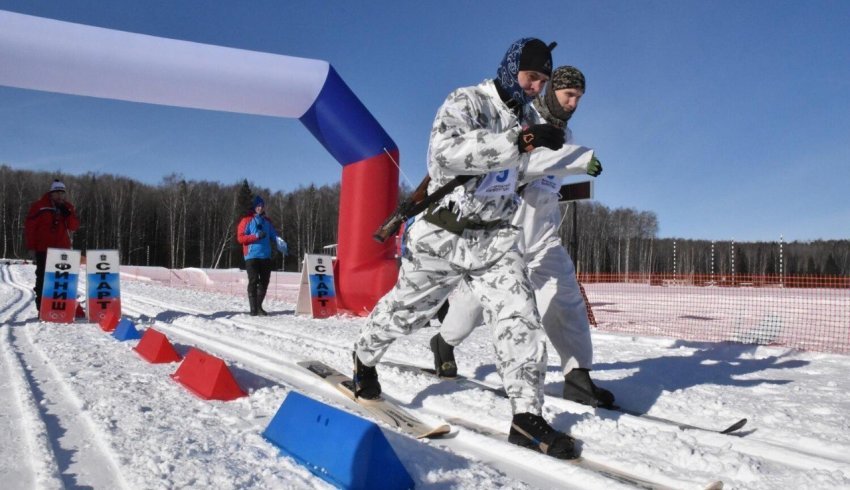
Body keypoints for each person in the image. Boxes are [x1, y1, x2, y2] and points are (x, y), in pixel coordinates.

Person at [353, 38, 598, 460]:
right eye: (531, 77)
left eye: (543, 80)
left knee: (519, 319)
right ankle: (364, 358)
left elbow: (529, 168)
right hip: (443, 235)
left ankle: (526, 415)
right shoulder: (466, 101)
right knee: (407, 312)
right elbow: (445, 155)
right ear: (510, 69)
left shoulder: (528, 117)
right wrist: (517, 143)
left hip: (496, 238)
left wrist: (573, 157)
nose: (537, 87)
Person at [430, 66, 615, 409]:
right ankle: (444, 342)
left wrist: (572, 160)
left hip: (543, 231)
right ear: (551, 92)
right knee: (477, 304)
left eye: (579, 97)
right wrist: (576, 160)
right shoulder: (522, 121)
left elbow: (554, 173)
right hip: (506, 229)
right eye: (568, 95)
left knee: (566, 297)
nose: (574, 103)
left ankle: (577, 376)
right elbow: (521, 164)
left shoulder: (568, 134)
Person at [24, 179, 80, 311]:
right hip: (44, 249)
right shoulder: (39, 206)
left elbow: (73, 226)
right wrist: (31, 247)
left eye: (62, 193)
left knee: (61, 281)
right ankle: (42, 308)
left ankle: (60, 308)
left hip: (62, 251)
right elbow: (30, 228)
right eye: (57, 193)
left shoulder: (68, 207)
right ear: (51, 193)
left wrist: (68, 214)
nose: (60, 196)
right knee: (42, 280)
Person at [237, 195, 283, 316]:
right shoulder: (246, 220)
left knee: (265, 281)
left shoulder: (267, 221)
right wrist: (256, 236)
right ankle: (253, 309)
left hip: (265, 256)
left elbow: (274, 235)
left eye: (262, 206)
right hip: (251, 255)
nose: (260, 208)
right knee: (253, 280)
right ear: (253, 207)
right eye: (258, 206)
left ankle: (258, 307)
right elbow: (240, 238)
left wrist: (281, 243)